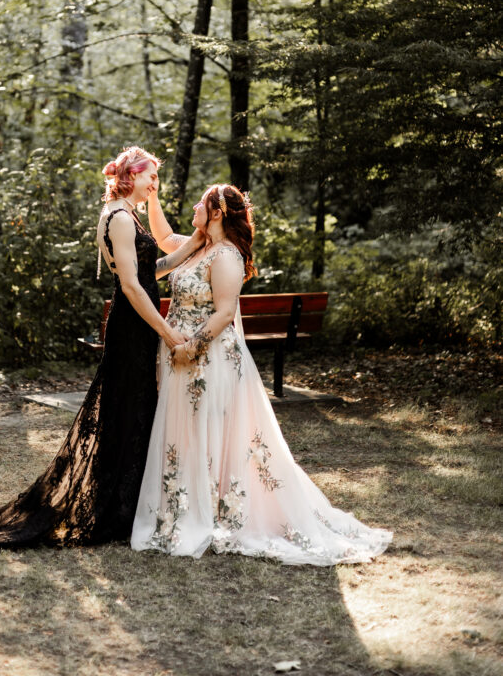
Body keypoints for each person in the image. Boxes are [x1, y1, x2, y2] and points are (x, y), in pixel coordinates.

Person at [0, 146, 200, 557]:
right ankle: (116, 507)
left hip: (141, 324)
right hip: (134, 328)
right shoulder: (117, 218)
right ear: (132, 175)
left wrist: (195, 244)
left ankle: (127, 504)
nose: (155, 185)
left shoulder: (128, 214)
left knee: (135, 410)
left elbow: (153, 271)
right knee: (126, 409)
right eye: (151, 177)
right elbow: (131, 286)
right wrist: (169, 333)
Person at [132, 182, 393, 564]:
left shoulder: (227, 256)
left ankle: (219, 512)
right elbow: (166, 237)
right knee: (188, 433)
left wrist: (191, 346)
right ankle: (188, 506)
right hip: (179, 358)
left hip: (208, 359)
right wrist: (152, 198)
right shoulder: (198, 246)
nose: (193, 206)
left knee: (214, 432)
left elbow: (223, 312)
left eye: (201, 203)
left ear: (217, 212)